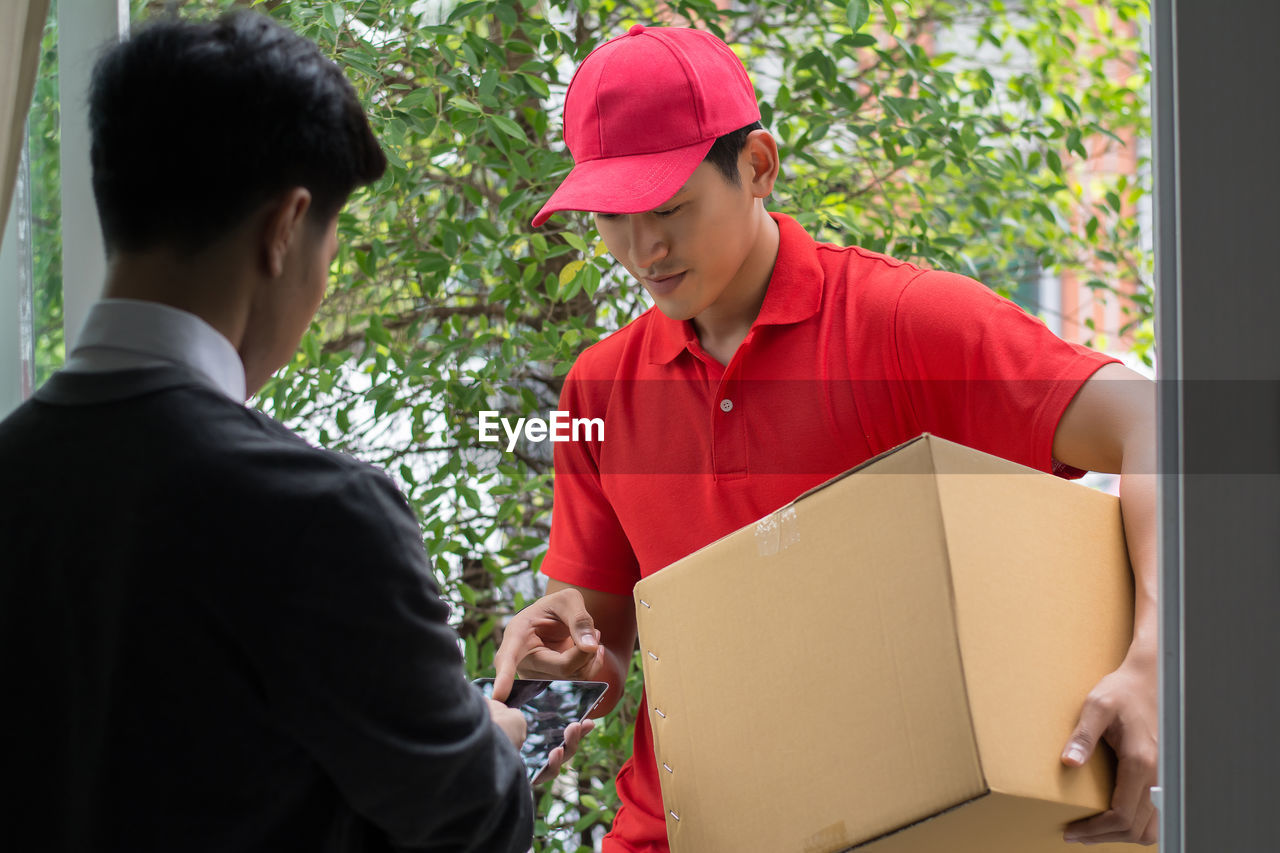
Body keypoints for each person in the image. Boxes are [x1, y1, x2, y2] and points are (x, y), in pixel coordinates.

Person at [494, 23, 1158, 850]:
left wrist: (1153, 662)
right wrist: (564, 659)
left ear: (759, 166)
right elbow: (606, 645)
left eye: (669, 207)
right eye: (612, 217)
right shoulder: (599, 388)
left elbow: (1161, 424)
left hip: (900, 825)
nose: (642, 249)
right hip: (677, 834)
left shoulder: (903, 326)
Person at [0, 12, 585, 852]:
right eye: (332, 238)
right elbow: (469, 824)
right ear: (284, 228)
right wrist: (494, 739)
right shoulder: (320, 515)